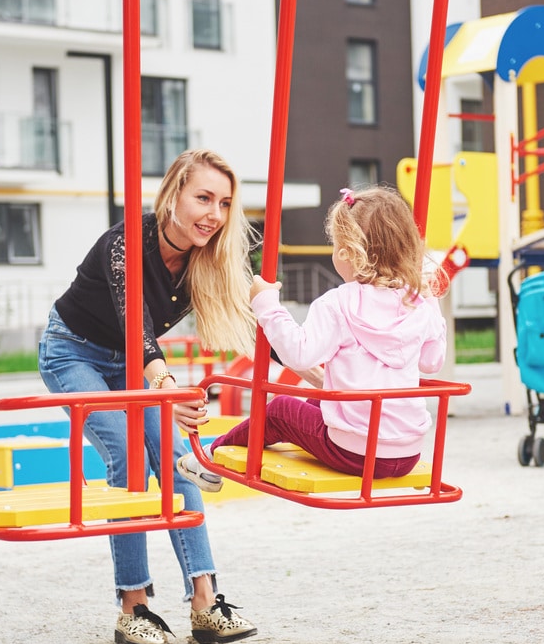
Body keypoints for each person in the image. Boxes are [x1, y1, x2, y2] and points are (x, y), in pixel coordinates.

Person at [38, 149, 258, 644]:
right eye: (203, 198)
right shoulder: (125, 243)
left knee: (181, 463)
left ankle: (205, 602)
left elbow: (259, 297)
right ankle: (133, 606)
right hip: (75, 353)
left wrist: (314, 357)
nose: (214, 215)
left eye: (223, 203)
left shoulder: (208, 256)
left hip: (132, 365)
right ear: (173, 194)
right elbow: (133, 319)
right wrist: (165, 386)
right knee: (130, 457)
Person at [177, 184, 447, 489]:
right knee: (313, 404)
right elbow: (432, 361)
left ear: (347, 252)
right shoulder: (417, 304)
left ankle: (208, 460)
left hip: (356, 451)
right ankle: (222, 454)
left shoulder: (339, 302)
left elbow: (300, 354)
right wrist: (431, 303)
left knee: (280, 410)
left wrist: (267, 306)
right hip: (407, 450)